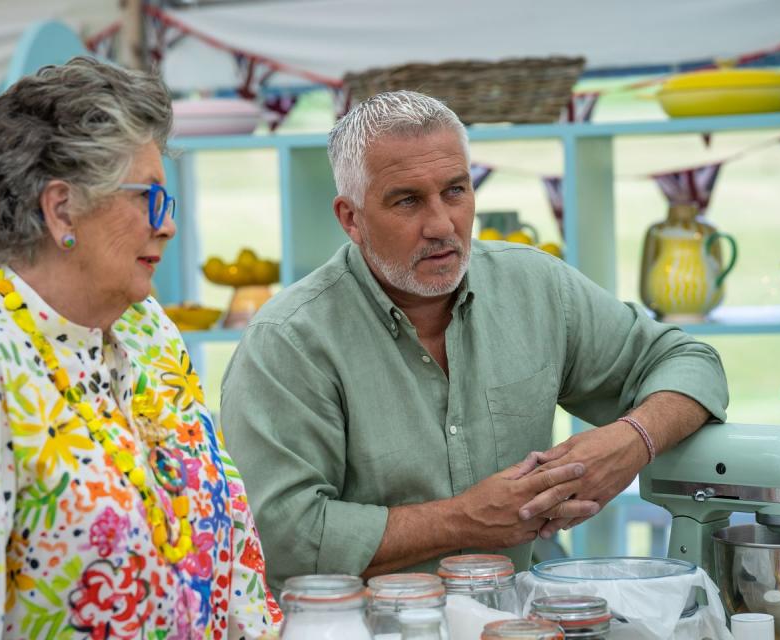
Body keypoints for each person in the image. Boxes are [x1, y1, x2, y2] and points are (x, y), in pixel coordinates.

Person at [220, 90, 728, 592]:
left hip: (526, 618)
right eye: (407, 201)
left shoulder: (535, 286)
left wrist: (630, 442)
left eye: (455, 191)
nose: (442, 225)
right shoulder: (286, 343)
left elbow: (689, 360)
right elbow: (280, 535)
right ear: (351, 218)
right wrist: (465, 520)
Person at [0, 57, 280, 639]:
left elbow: (237, 546)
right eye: (148, 196)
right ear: (62, 208)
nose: (166, 225)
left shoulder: (148, 329)